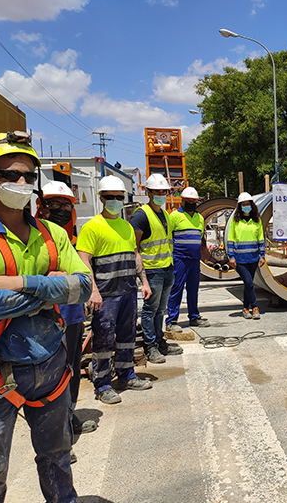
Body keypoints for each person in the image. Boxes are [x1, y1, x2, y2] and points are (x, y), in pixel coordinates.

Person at [0, 132, 92, 502]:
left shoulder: (52, 234)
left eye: (28, 176)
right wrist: (49, 290)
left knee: (57, 459)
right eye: (9, 174)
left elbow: (83, 287)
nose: (20, 182)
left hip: (50, 366)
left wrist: (19, 283)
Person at [77, 176, 154, 404]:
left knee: (127, 337)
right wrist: (93, 291)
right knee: (103, 339)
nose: (115, 200)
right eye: (110, 197)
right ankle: (102, 385)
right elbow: (83, 260)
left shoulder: (126, 226)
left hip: (128, 291)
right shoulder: (92, 227)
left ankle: (126, 375)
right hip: (106, 294)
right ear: (101, 198)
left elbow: (135, 255)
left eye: (119, 197)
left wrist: (144, 282)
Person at [37, 181, 97, 461]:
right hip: (45, 317)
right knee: (51, 375)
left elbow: (81, 276)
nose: (61, 209)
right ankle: (57, 438)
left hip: (71, 313)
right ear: (42, 206)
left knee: (71, 369)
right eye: (55, 204)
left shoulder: (69, 238)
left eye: (66, 205)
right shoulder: (34, 237)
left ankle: (69, 417)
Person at [130, 173, 183, 364]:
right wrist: (142, 277)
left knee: (161, 310)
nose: (161, 195)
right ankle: (150, 346)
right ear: (148, 192)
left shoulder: (165, 214)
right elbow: (134, 247)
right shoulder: (141, 215)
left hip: (167, 268)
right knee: (150, 310)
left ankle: (159, 341)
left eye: (163, 192)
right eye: (157, 191)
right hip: (152, 271)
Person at [166, 186, 210, 331]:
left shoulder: (200, 218)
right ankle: (172, 321)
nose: (191, 203)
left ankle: (194, 317)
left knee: (193, 289)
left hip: (194, 259)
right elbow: (168, 237)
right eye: (188, 200)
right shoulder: (174, 216)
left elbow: (200, 236)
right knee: (176, 288)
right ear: (182, 201)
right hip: (179, 258)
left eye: (193, 201)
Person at [227, 192, 265, 319]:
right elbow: (230, 239)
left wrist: (262, 255)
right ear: (240, 206)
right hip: (239, 259)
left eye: (248, 204)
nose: (246, 206)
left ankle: (245, 308)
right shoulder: (235, 222)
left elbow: (261, 239)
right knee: (249, 282)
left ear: (252, 205)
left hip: (253, 258)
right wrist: (231, 256)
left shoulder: (257, 221)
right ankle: (255, 307)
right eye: (243, 204)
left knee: (248, 284)